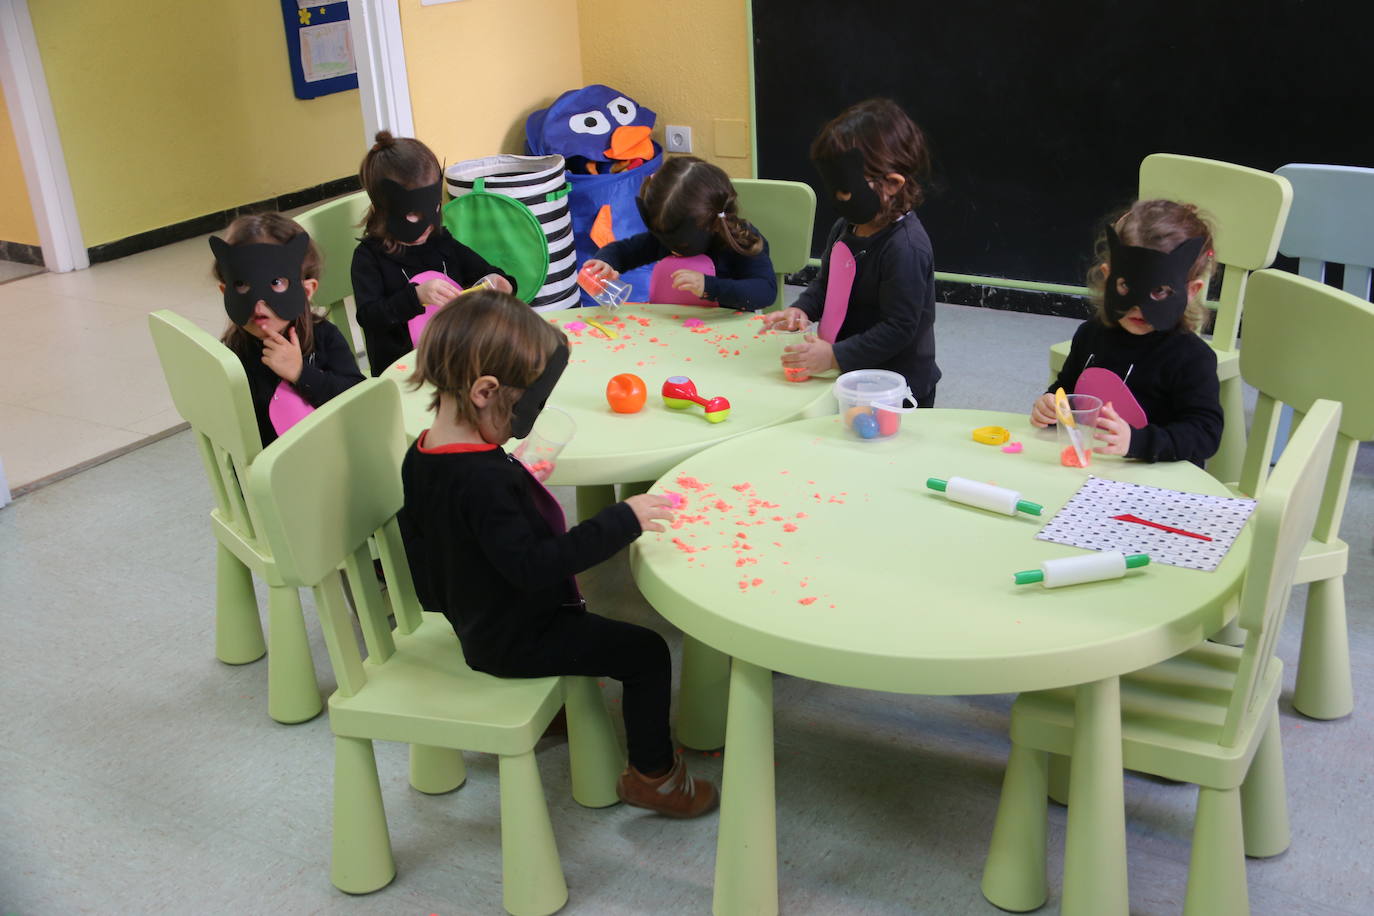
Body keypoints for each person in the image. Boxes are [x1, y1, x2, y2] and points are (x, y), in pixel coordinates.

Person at [398, 290, 719, 818]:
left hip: (475, 620)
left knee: (603, 633)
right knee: (647, 654)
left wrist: (514, 477)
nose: (531, 416)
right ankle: (655, 777)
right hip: (512, 638)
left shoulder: (425, 452)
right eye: (529, 405)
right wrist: (623, 520)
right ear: (485, 391)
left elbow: (432, 541)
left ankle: (560, 705)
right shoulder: (484, 483)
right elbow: (536, 566)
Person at [762, 98, 940, 405]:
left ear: (892, 184)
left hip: (897, 387)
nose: (838, 198)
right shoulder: (847, 226)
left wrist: (834, 355)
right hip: (851, 374)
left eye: (845, 189)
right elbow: (827, 285)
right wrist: (802, 309)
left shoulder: (906, 248)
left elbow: (899, 328)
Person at [1031, 199, 1223, 466]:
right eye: (1126, 287)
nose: (1138, 306)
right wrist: (1049, 405)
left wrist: (1135, 441)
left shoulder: (1191, 358)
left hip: (1156, 482)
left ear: (1191, 291)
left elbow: (1205, 434)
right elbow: (1067, 392)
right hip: (1089, 467)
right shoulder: (1090, 336)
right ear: (1108, 277)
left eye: (1159, 292)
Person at [350, 131, 516, 376]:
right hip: (403, 375)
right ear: (380, 211)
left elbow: (487, 274)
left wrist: (504, 285)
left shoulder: (440, 242)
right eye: (412, 215)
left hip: (458, 363)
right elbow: (369, 317)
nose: (426, 224)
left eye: (433, 209)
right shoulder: (369, 258)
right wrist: (415, 297)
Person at [210, 213, 363, 447]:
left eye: (275, 283)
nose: (258, 303)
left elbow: (358, 398)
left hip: (334, 458)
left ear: (307, 290)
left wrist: (302, 373)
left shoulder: (324, 336)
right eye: (242, 285)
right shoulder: (232, 357)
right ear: (225, 291)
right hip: (272, 475)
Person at [581, 155, 777, 310]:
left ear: (710, 226)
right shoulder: (668, 234)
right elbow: (627, 250)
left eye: (680, 245)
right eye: (661, 237)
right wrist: (606, 262)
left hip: (727, 336)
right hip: (675, 335)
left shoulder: (739, 239)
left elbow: (765, 291)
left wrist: (710, 287)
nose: (671, 249)